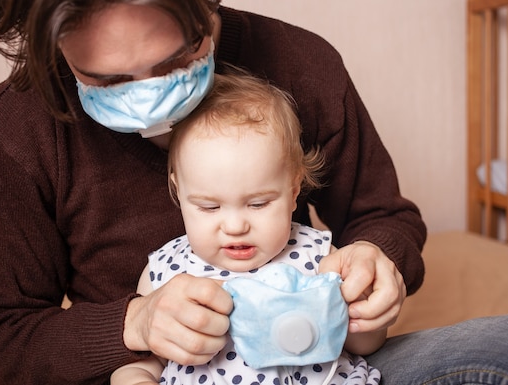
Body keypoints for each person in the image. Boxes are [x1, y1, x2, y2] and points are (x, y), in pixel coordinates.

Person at [0, 0, 508, 384]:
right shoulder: (20, 126)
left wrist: (380, 263)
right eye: (107, 80)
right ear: (55, 47)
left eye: (177, 60)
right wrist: (134, 324)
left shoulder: (302, 62)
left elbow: (387, 216)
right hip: (160, 371)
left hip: (314, 364)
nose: (149, 100)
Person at [111, 72, 384, 385]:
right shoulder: (165, 273)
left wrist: (364, 308)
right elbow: (141, 364)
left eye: (258, 204)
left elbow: (365, 344)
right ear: (179, 192)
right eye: (209, 207)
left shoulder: (320, 258)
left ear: (294, 190)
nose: (235, 226)